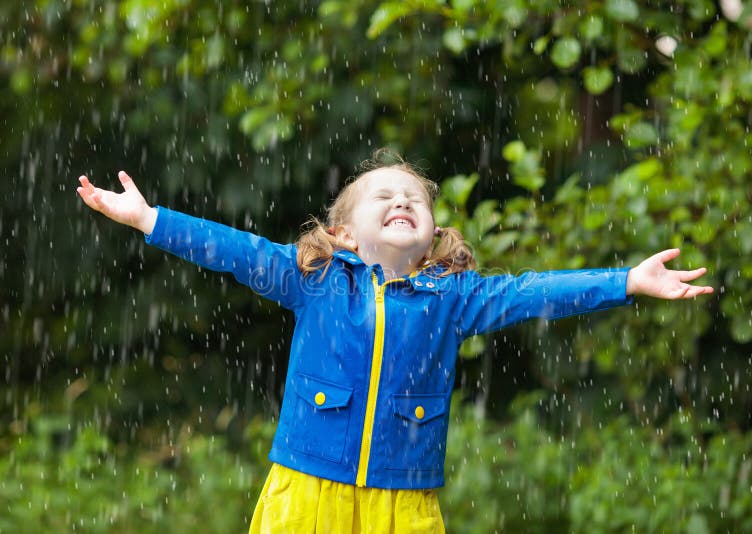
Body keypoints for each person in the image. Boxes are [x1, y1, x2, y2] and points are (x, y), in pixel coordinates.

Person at [76, 155, 713, 533]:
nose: (402, 200)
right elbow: (234, 251)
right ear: (343, 232)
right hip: (307, 487)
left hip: (402, 499)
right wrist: (149, 219)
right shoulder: (314, 280)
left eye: (413, 199)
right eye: (383, 196)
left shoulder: (453, 299)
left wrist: (625, 280)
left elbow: (534, 291)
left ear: (434, 232)